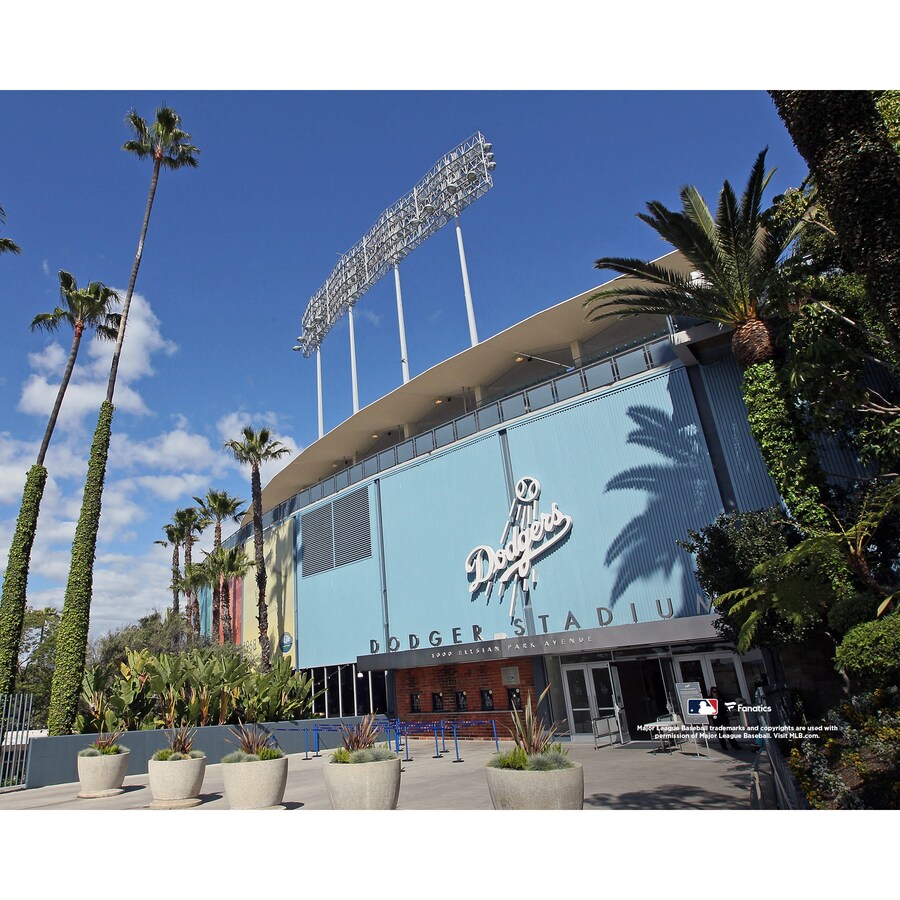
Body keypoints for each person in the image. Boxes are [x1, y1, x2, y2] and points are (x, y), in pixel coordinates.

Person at [710, 686, 741, 750]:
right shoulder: (710, 699)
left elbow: (728, 703)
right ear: (712, 693)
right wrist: (710, 716)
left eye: (716, 691)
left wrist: (729, 712)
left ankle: (735, 745)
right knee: (719, 733)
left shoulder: (721, 698)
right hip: (716, 718)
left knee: (728, 732)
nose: (715, 693)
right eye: (714, 692)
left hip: (723, 716)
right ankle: (724, 747)